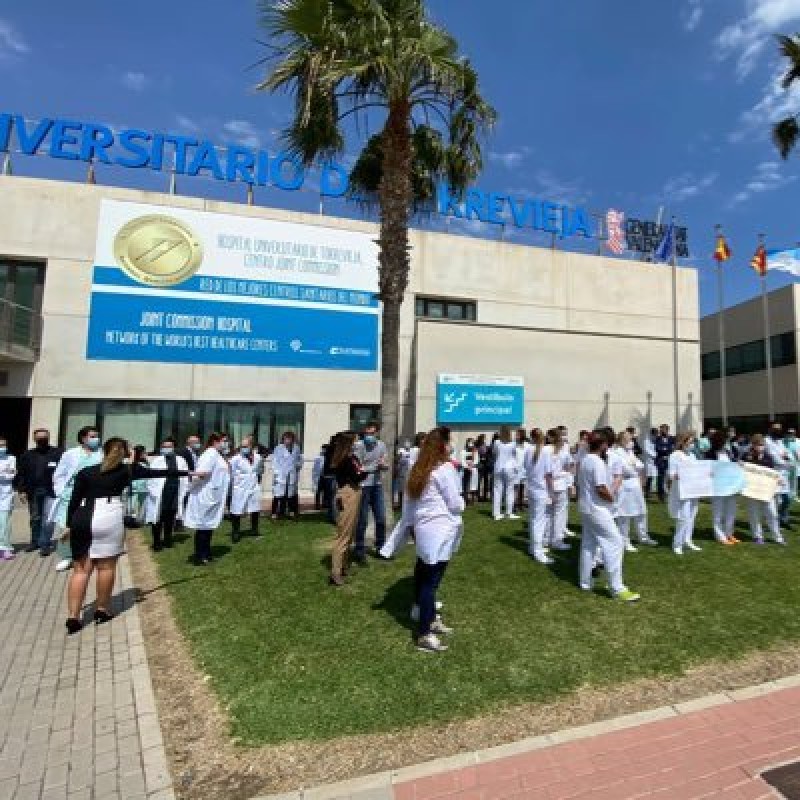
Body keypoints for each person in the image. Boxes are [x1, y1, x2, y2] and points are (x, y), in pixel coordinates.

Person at [64, 437, 188, 633]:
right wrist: (191, 472)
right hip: (108, 514)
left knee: (81, 569)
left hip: (83, 515)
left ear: (104, 451)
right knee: (106, 567)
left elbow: (74, 500)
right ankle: (102, 609)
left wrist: (69, 525)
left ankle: (73, 616)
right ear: (126, 453)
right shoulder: (128, 470)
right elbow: (162, 472)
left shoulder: (86, 472)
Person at [406, 427, 464, 653]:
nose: (451, 446)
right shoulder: (444, 470)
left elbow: (410, 501)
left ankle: (427, 616)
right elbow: (455, 503)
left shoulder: (419, 468)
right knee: (432, 580)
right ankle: (424, 633)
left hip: (424, 529)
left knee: (423, 573)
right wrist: (463, 504)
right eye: (449, 442)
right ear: (442, 446)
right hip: (440, 529)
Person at [577, 431, 640, 602]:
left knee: (588, 544)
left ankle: (585, 582)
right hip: (597, 508)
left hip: (586, 507)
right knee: (615, 542)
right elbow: (601, 488)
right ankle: (616, 587)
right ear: (603, 445)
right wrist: (611, 498)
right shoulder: (596, 462)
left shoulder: (584, 460)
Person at [50, 427, 103, 572]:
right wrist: (60, 491)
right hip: (70, 494)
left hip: (92, 495)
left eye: (97, 436)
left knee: (90, 524)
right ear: (83, 438)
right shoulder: (70, 454)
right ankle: (66, 557)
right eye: (92, 436)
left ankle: (90, 554)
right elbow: (59, 474)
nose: (96, 439)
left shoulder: (101, 454)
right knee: (66, 524)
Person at [185, 433, 231, 565]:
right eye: (224, 441)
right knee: (203, 527)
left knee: (208, 526)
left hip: (213, 496)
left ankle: (206, 553)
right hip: (205, 496)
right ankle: (200, 556)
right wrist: (191, 484)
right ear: (215, 441)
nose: (226, 444)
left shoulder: (217, 454)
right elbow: (202, 473)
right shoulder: (210, 454)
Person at [15, 428, 62, 555]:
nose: (42, 440)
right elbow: (21, 474)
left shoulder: (58, 453)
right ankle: (34, 541)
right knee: (35, 517)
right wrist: (21, 490)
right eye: (39, 438)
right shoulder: (27, 455)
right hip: (34, 490)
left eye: (44, 437)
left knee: (48, 518)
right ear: (34, 439)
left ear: (48, 438)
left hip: (51, 490)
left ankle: (45, 543)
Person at [329, 432, 366, 586]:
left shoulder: (352, 458)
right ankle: (335, 571)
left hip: (354, 493)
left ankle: (343, 566)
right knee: (343, 534)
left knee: (349, 533)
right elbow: (357, 476)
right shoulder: (345, 460)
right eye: (356, 441)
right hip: (347, 494)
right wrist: (365, 471)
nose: (358, 443)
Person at [612, 430, 657, 551]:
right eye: (628, 439)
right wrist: (635, 467)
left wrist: (635, 468)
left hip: (635, 483)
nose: (631, 442)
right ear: (621, 440)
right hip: (624, 485)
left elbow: (640, 465)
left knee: (641, 511)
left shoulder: (630, 452)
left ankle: (643, 536)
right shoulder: (616, 453)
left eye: (631, 439)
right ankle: (624, 540)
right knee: (624, 514)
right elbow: (626, 469)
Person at [144, 437, 190, 551]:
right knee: (158, 518)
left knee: (170, 517)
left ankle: (168, 540)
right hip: (160, 493)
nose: (167, 449)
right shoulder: (156, 460)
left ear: (173, 448)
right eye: (164, 447)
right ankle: (156, 542)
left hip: (175, 492)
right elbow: (150, 478)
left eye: (169, 446)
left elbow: (185, 476)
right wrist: (153, 492)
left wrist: (185, 490)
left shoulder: (180, 460)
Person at [353, 424, 388, 562]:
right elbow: (358, 468)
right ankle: (359, 549)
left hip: (377, 485)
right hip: (363, 485)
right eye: (367, 433)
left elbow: (384, 464)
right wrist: (375, 467)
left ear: (376, 433)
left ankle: (381, 547)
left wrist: (384, 466)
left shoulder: (381, 445)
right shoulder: (358, 446)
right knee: (362, 520)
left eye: (372, 433)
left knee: (381, 518)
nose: (369, 436)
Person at [743, 434, 785, 545]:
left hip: (766, 491)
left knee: (772, 513)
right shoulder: (746, 456)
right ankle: (757, 536)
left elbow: (773, 472)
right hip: (752, 490)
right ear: (753, 445)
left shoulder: (768, 456)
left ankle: (778, 537)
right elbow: (742, 470)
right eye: (757, 445)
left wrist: (778, 479)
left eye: (762, 445)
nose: (760, 447)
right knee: (754, 514)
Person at [668, 431, 701, 555]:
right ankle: (677, 543)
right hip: (682, 490)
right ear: (683, 442)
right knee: (684, 517)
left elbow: (698, 471)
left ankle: (688, 539)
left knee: (692, 515)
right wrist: (683, 475)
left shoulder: (692, 456)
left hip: (693, 490)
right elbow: (671, 475)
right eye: (690, 442)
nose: (692, 444)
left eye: (693, 442)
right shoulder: (675, 455)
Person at [525, 428, 554, 564]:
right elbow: (548, 474)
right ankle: (538, 551)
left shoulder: (528, 450)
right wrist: (552, 491)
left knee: (534, 520)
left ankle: (533, 547)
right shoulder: (545, 452)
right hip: (541, 490)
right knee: (539, 522)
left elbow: (526, 468)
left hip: (532, 488)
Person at [706, 430, 739, 546]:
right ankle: (720, 535)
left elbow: (734, 464)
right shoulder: (710, 453)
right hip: (718, 487)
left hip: (730, 486)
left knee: (731, 511)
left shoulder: (729, 452)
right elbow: (708, 470)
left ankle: (729, 533)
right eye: (725, 440)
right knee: (718, 512)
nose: (727, 442)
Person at [229, 436, 263, 542]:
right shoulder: (236, 459)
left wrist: (257, 482)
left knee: (255, 508)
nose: (243, 448)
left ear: (251, 446)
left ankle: (254, 529)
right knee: (237, 510)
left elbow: (260, 470)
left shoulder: (258, 457)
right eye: (242, 446)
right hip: (240, 488)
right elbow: (230, 472)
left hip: (253, 487)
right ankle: (235, 532)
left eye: (245, 446)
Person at [547, 428, 574, 552]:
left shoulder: (546, 450)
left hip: (552, 483)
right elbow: (570, 468)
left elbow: (569, 468)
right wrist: (570, 483)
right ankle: (556, 540)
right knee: (558, 514)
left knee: (549, 513)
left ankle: (547, 539)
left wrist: (569, 483)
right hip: (556, 483)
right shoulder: (560, 451)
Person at [765, 423, 793, 529]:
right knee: (774, 501)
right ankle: (773, 522)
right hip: (774, 473)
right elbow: (774, 458)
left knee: (787, 498)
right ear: (770, 429)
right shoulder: (767, 441)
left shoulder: (780, 441)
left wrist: (786, 458)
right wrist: (787, 461)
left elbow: (788, 454)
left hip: (784, 474)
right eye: (775, 428)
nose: (778, 430)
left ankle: (783, 519)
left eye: (779, 428)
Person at [271, 431, 303, 520]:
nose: (288, 441)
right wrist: (277, 473)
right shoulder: (278, 448)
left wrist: (298, 466)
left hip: (292, 475)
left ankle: (291, 512)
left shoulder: (296, 448)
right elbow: (274, 461)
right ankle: (274, 512)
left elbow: (300, 459)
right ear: (283, 440)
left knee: (291, 495)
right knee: (278, 495)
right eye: (286, 439)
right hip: (280, 475)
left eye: (289, 439)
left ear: (292, 439)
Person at [175, 434, 202, 532]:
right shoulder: (182, 452)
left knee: (187, 500)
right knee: (181, 500)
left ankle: (185, 520)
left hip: (193, 480)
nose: (198, 444)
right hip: (184, 479)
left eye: (198, 442)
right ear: (190, 443)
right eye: (196, 442)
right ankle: (178, 523)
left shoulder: (196, 453)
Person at [491, 426, 518, 521]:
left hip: (498, 467)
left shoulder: (497, 442)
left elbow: (494, 453)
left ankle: (496, 513)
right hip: (509, 468)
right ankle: (508, 512)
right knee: (509, 490)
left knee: (497, 490)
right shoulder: (513, 443)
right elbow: (514, 455)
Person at [0, 436, 16, 561]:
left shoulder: (11, 458)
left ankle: (5, 548)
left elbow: (11, 475)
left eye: (4, 445)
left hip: (5, 495)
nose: (2, 448)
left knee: (5, 522)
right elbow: (6, 473)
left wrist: (6, 473)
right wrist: (4, 473)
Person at [129, 445, 150, 523]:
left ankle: (140, 519)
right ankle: (132, 519)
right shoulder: (132, 462)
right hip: (134, 486)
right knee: (132, 504)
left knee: (143, 504)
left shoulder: (146, 463)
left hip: (144, 487)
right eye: (143, 452)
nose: (145, 454)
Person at [654, 424, 675, 502]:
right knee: (660, 478)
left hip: (669, 460)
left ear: (667, 430)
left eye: (663, 430)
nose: (662, 431)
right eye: (661, 430)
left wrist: (665, 449)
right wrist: (666, 449)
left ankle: (671, 494)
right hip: (660, 460)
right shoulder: (658, 438)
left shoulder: (672, 438)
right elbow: (657, 448)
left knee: (670, 477)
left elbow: (672, 448)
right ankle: (660, 495)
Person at [460, 438, 480, 505]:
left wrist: (472, 464)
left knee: (473, 485)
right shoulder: (463, 451)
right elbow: (462, 460)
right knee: (466, 485)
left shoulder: (475, 451)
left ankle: (472, 500)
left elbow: (477, 460)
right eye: (469, 443)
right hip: (466, 470)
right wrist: (467, 466)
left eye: (472, 443)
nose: (471, 444)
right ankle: (465, 499)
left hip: (473, 469)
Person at [643, 428, 658, 499]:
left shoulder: (655, 440)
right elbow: (647, 450)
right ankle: (647, 492)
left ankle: (653, 491)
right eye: (654, 434)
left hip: (655, 462)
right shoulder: (646, 441)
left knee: (654, 477)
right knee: (649, 477)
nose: (655, 436)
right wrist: (655, 455)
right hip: (649, 461)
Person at [476, 434, 491, 502]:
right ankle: (478, 496)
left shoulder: (486, 446)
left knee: (486, 481)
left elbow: (488, 454)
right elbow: (478, 454)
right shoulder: (478, 446)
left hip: (486, 465)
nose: (485, 439)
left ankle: (485, 496)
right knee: (479, 481)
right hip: (480, 465)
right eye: (484, 438)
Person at [312, 444, 327, 510]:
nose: (324, 450)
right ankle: (317, 505)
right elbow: (315, 468)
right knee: (318, 491)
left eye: (325, 449)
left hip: (326, 476)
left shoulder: (328, 457)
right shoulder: (318, 458)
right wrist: (314, 477)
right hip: (319, 476)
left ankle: (324, 504)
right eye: (323, 449)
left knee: (325, 491)